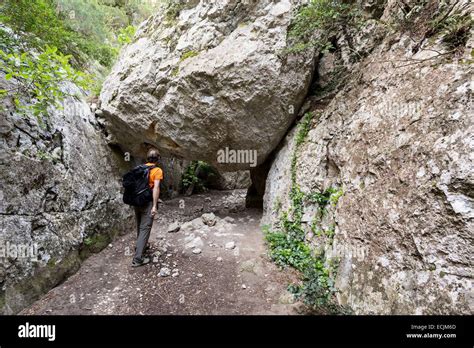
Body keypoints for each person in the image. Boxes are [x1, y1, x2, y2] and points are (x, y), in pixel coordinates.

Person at [132, 148, 163, 267]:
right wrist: (154, 205)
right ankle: (138, 259)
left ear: (147, 158)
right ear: (158, 158)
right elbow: (156, 188)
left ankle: (140, 246)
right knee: (145, 227)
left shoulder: (139, 169)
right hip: (147, 201)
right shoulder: (157, 170)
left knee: (140, 225)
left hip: (136, 201)